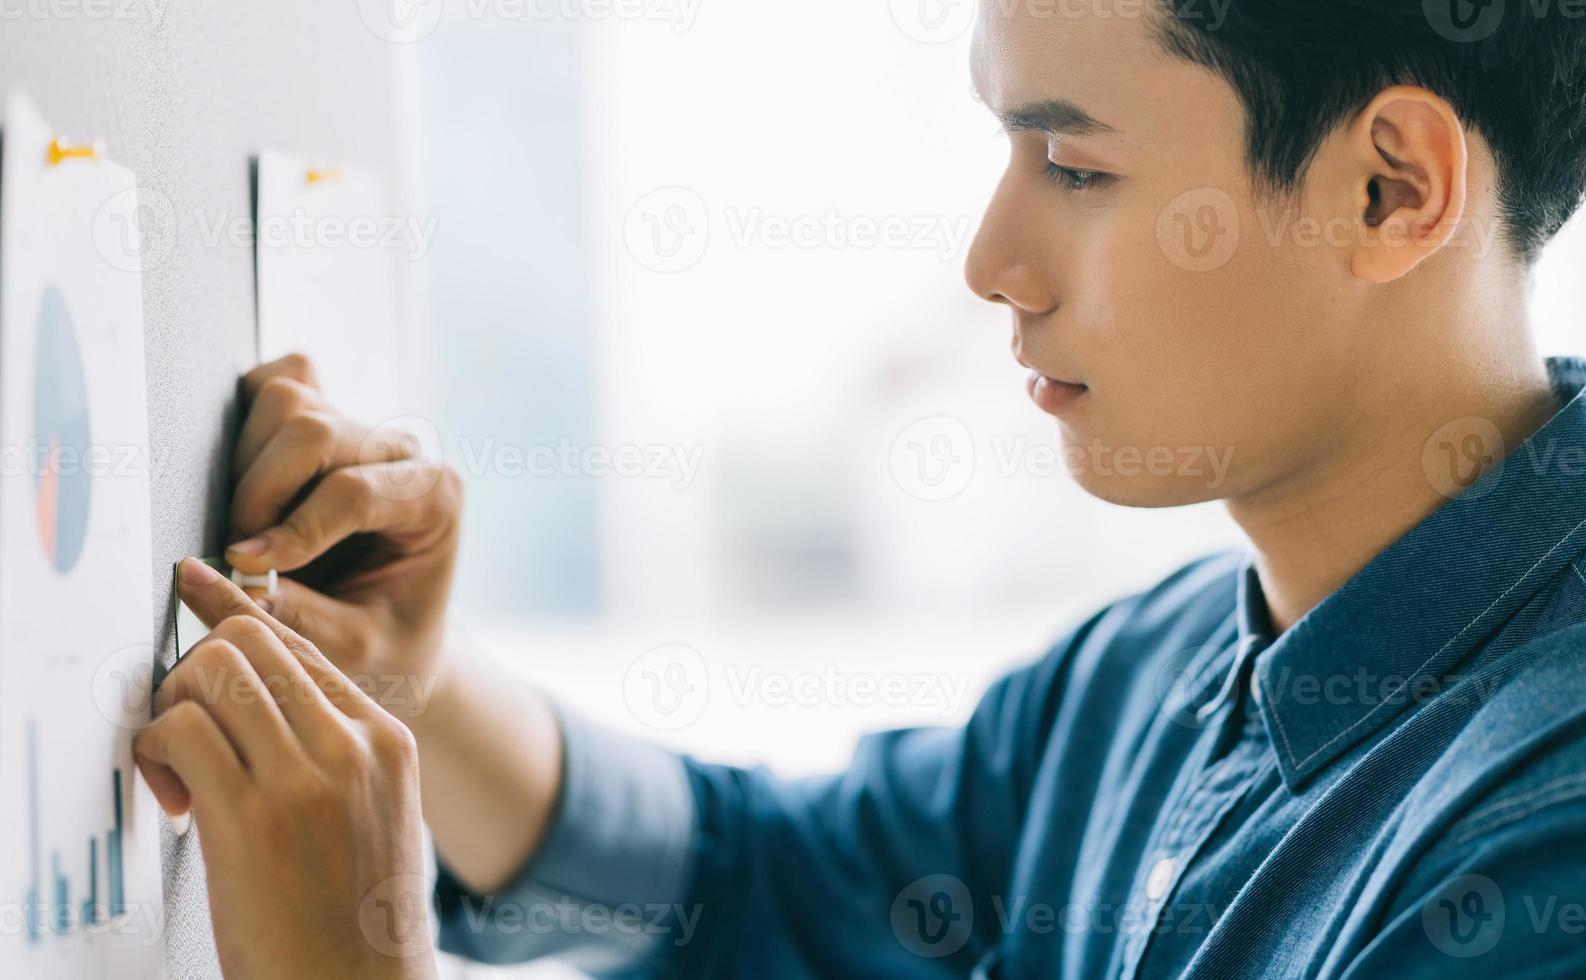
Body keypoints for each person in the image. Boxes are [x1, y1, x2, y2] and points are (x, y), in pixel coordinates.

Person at [139, 1, 1586, 976]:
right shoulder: (1150, 676)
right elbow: (758, 878)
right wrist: (421, 684)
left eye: (1074, 164)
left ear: (1389, 189)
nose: (990, 263)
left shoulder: (1539, 850)